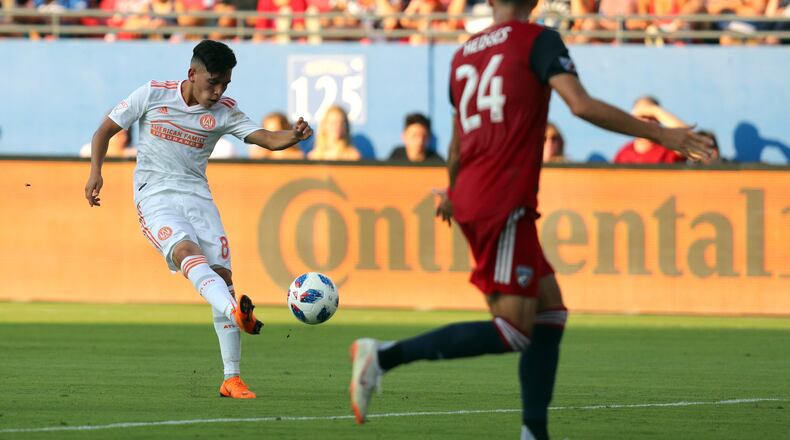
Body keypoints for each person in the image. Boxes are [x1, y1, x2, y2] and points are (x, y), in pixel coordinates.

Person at [347, 2, 713, 439]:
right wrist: (660, 133)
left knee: (551, 313)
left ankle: (533, 432)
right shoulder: (539, 40)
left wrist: (453, 189)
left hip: (482, 194)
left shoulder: (463, 54)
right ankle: (383, 356)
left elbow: (460, 143)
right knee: (515, 330)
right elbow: (580, 105)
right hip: (502, 200)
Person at [84, 40, 313, 399]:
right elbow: (104, 131)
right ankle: (236, 313)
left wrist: (295, 136)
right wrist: (96, 171)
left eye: (225, 85)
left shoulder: (224, 111)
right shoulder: (153, 94)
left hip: (198, 197)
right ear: (192, 73)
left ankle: (232, 378)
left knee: (223, 277)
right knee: (185, 251)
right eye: (213, 83)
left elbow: (266, 138)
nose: (218, 91)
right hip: (155, 193)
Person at [613, 96, 689, 164]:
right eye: (642, 116)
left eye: (651, 116)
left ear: (659, 119)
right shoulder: (624, 153)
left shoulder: (670, 148)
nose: (647, 121)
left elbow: (688, 140)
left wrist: (655, 110)